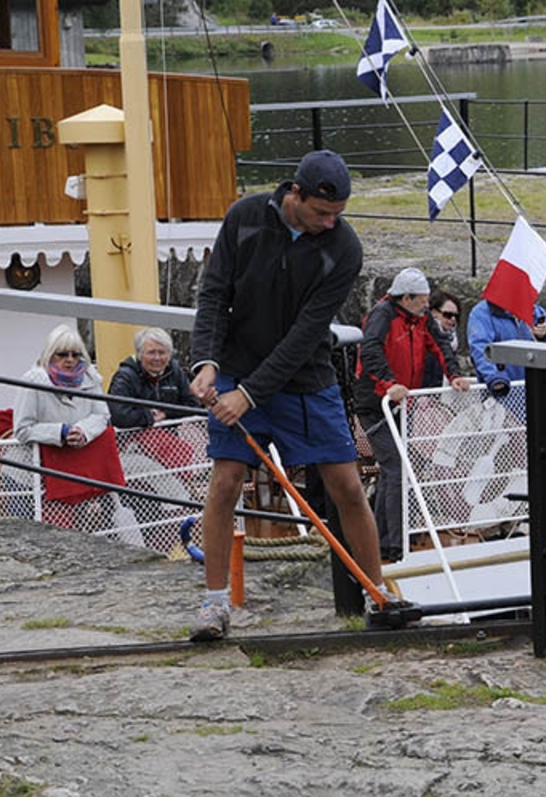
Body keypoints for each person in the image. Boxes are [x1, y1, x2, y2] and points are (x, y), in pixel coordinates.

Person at [188, 148, 383, 642]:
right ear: (294, 193)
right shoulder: (244, 218)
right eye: (321, 213)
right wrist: (206, 361)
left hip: (306, 376)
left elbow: (305, 333)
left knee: (346, 486)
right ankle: (214, 607)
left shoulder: (344, 249)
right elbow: (214, 294)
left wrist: (249, 397)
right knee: (226, 482)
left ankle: (380, 597)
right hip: (237, 366)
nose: (327, 224)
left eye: (336, 215)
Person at [353, 268, 470, 562]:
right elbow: (370, 352)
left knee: (392, 469)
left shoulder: (420, 319)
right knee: (396, 466)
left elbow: (440, 345)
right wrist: (389, 384)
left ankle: (381, 538)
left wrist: (454, 374)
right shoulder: (383, 316)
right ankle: (395, 543)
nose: (426, 306)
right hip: (376, 403)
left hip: (404, 402)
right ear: (406, 298)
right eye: (422, 300)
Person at [12, 324, 125, 528]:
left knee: (76, 534)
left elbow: (101, 415)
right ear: (49, 355)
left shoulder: (91, 378)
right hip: (28, 476)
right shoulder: (32, 381)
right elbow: (22, 428)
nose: (70, 360)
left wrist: (82, 431)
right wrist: (60, 432)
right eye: (62, 354)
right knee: (28, 533)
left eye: (76, 354)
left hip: (73, 471)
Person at [466, 298, 546, 398]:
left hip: (538, 391)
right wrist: (494, 377)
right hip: (502, 391)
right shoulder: (481, 313)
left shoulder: (536, 311)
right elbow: (480, 349)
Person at [108, 327, 201, 428]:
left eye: (162, 352)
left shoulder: (175, 371)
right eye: (151, 353)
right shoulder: (125, 376)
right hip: (133, 437)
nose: (157, 358)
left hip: (170, 436)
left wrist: (166, 413)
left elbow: (193, 404)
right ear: (140, 355)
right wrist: (150, 416)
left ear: (169, 355)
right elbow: (119, 415)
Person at [422, 289, 462, 386]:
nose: (453, 319)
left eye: (456, 316)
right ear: (434, 313)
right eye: (447, 315)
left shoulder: (453, 340)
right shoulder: (425, 335)